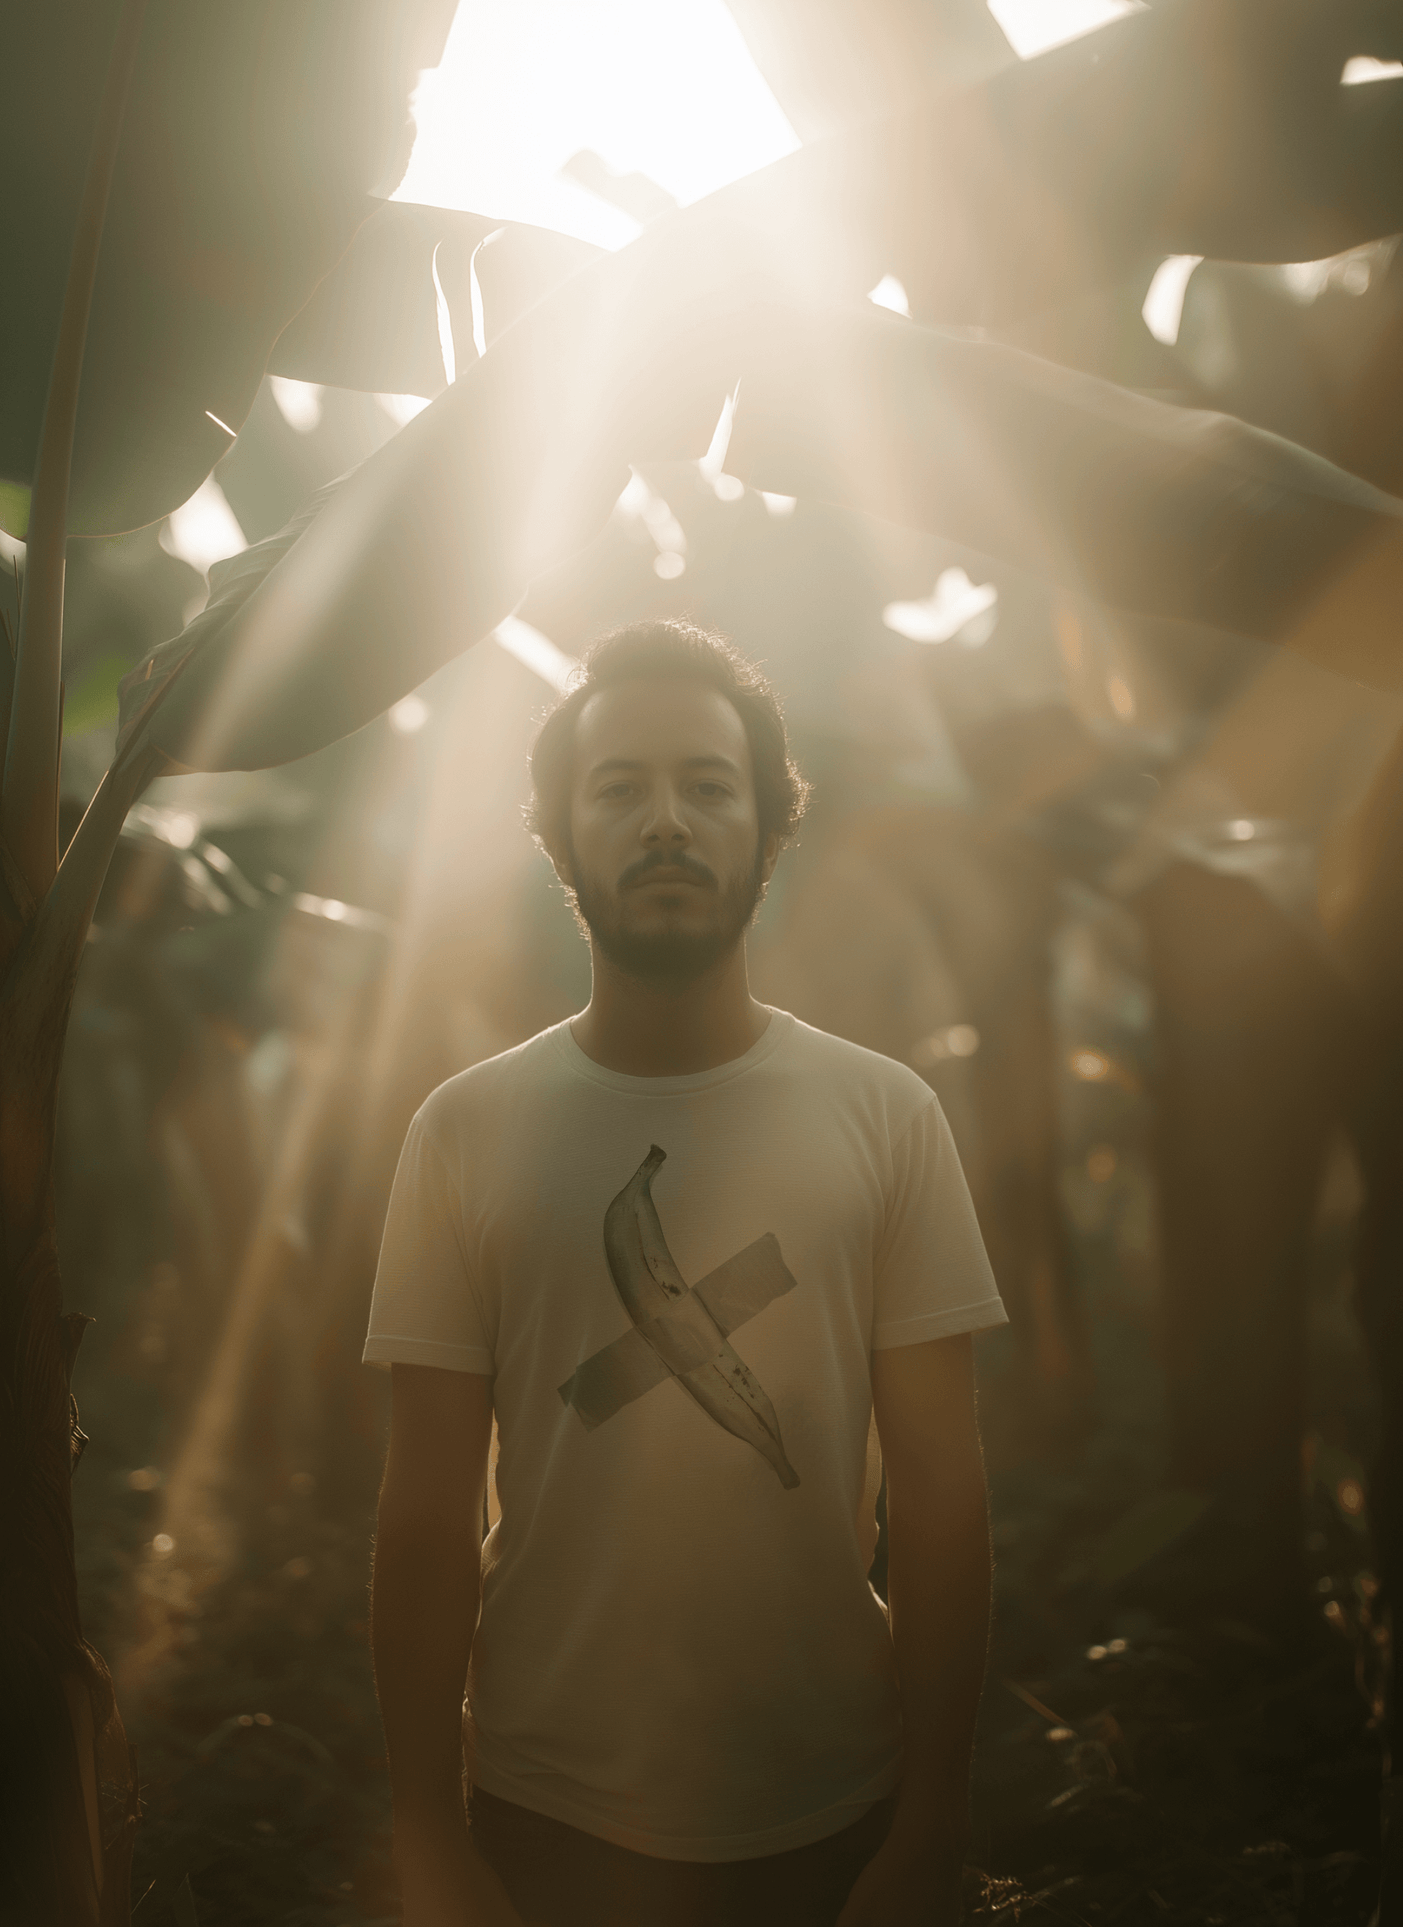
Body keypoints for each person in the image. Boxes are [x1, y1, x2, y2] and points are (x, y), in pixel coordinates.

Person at [366, 620, 1006, 1926]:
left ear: (770, 827)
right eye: (620, 788)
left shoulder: (885, 1116)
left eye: (710, 786)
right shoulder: (463, 1130)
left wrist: (934, 1817)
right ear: (560, 836)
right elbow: (426, 1511)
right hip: (547, 1814)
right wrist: (428, 1824)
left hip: (838, 1802)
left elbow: (943, 1497)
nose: (668, 821)